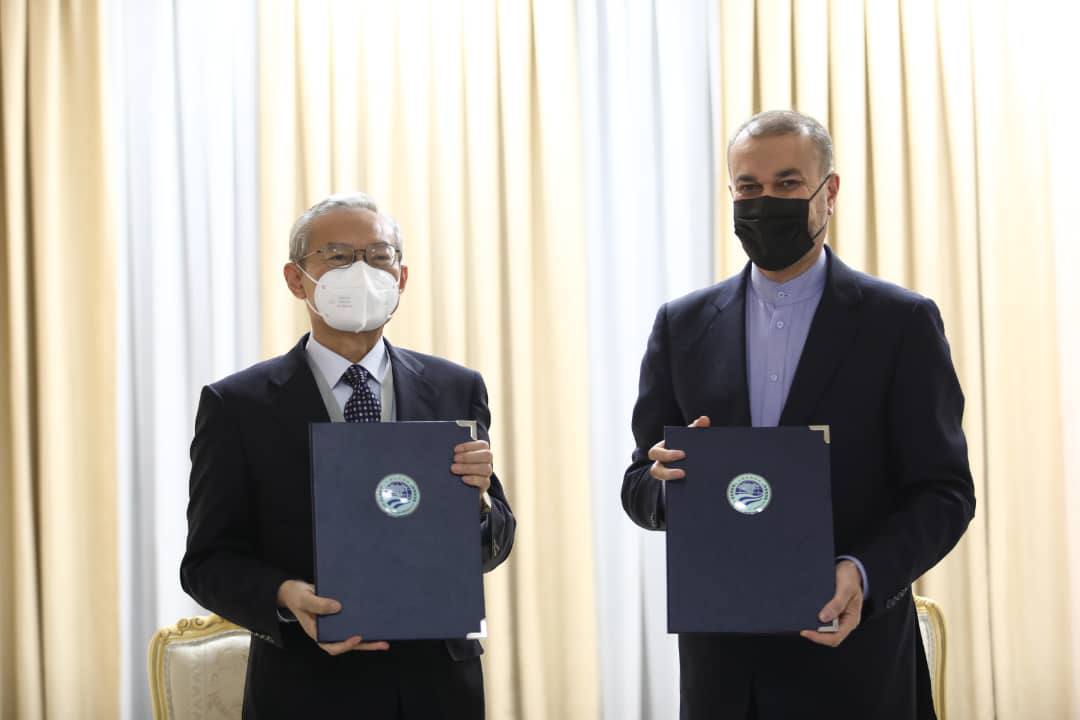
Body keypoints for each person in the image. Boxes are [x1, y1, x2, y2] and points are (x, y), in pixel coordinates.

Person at [621, 110, 975, 719]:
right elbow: (638, 486)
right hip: (723, 673)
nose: (766, 202)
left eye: (787, 184)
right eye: (749, 187)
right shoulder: (682, 326)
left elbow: (945, 493)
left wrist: (863, 573)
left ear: (828, 192)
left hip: (855, 666)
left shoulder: (900, 323)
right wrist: (664, 482)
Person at [181, 192, 515, 719]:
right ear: (296, 280)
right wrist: (285, 595)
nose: (362, 272)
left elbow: (494, 543)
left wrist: (476, 505)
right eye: (337, 257)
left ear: (401, 279)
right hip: (306, 688)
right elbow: (206, 563)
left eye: (379, 257)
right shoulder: (237, 405)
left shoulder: (456, 387)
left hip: (438, 687)